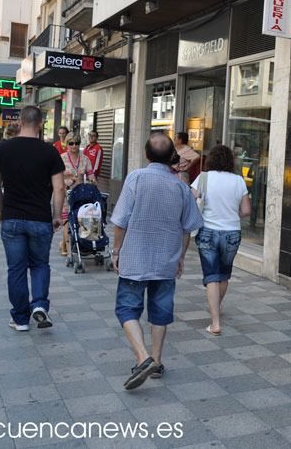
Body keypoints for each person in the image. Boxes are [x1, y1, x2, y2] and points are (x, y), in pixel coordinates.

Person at [111, 132, 203, 390]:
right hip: (166, 260)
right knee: (160, 310)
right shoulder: (181, 187)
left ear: (146, 154)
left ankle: (143, 357)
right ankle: (157, 362)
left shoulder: (136, 178)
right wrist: (182, 256)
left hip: (134, 258)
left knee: (127, 308)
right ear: (171, 154)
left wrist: (116, 251)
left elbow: (120, 221)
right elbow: (188, 228)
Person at [0, 106, 65, 331]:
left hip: (12, 217)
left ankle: (21, 318)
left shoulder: (3, 149)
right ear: (41, 124)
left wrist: (0, 210)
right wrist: (56, 215)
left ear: (20, 121)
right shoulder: (50, 151)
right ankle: (40, 305)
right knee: (40, 264)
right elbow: (59, 187)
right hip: (40, 219)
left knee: (16, 268)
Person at [191, 145, 250, 336]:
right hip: (232, 232)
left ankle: (215, 322)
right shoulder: (238, 181)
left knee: (211, 276)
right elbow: (247, 211)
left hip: (208, 231)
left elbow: (190, 201)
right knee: (224, 274)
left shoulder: (204, 177)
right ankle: (216, 307)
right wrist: (233, 215)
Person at [60, 133, 96, 257]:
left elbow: (90, 173)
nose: (74, 146)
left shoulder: (85, 158)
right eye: (71, 143)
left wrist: (92, 180)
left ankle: (88, 245)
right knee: (67, 220)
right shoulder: (61, 158)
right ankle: (68, 247)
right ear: (67, 144)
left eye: (77, 143)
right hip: (65, 193)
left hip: (81, 194)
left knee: (85, 216)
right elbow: (56, 176)